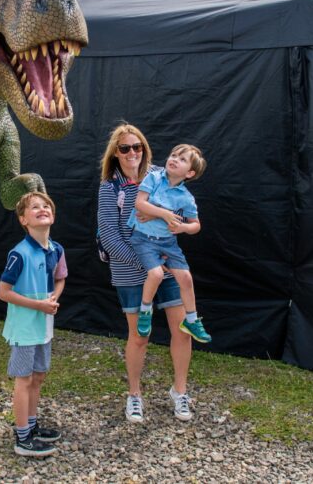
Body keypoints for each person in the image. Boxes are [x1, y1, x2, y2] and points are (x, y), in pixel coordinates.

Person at [97, 123, 194, 422]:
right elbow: (110, 237)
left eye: (136, 147)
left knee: (183, 330)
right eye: (125, 148)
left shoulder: (159, 177)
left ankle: (180, 391)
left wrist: (175, 224)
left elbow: (181, 212)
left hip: (166, 264)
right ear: (115, 152)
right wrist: (148, 265)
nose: (132, 153)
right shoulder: (109, 187)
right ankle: (134, 395)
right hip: (132, 270)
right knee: (140, 335)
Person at [0, 191, 67, 457]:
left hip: (44, 326)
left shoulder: (56, 249)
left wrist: (53, 298)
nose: (42, 208)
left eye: (46, 205)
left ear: (53, 214)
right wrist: (39, 305)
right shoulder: (19, 254)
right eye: (34, 207)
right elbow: (3, 292)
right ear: (24, 220)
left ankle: (32, 425)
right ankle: (22, 438)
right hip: (25, 328)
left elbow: (60, 278)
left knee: (38, 377)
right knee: (24, 379)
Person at [127, 144, 211, 344]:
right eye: (173, 155)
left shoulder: (186, 198)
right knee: (155, 274)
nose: (174, 159)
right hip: (144, 239)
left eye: (182, 159)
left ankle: (191, 320)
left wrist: (184, 228)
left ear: (190, 173)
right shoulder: (154, 178)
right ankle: (145, 310)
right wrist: (164, 214)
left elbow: (196, 225)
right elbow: (139, 204)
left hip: (168, 243)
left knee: (186, 278)